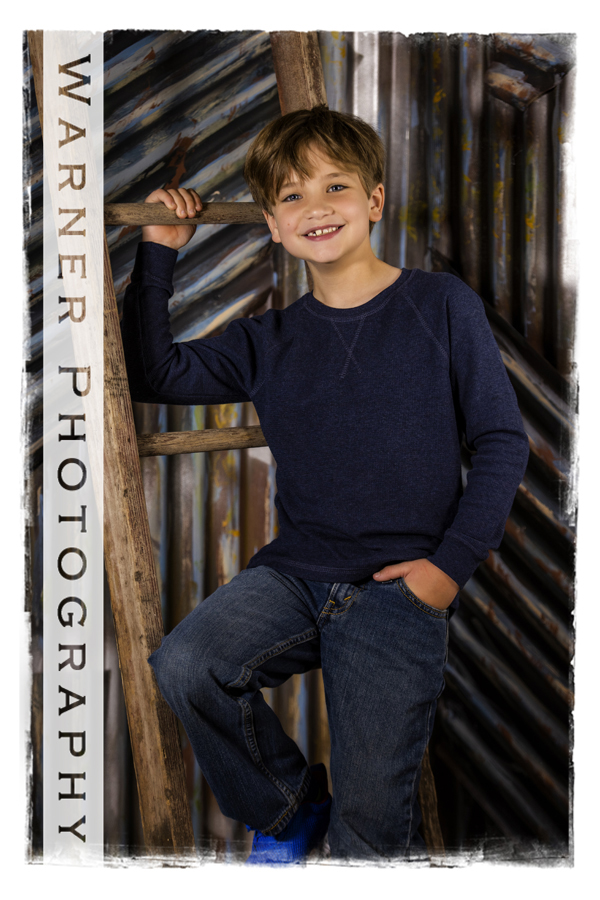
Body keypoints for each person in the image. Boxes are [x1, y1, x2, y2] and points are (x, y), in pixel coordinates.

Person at [120, 106, 530, 865]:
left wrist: (446, 572)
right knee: (186, 663)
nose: (316, 208)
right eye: (291, 196)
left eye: (335, 187)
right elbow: (155, 373)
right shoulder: (267, 338)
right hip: (295, 575)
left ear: (373, 199)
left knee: (370, 840)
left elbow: (503, 441)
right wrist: (158, 255)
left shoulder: (441, 305)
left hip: (399, 592)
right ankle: (288, 805)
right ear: (273, 224)